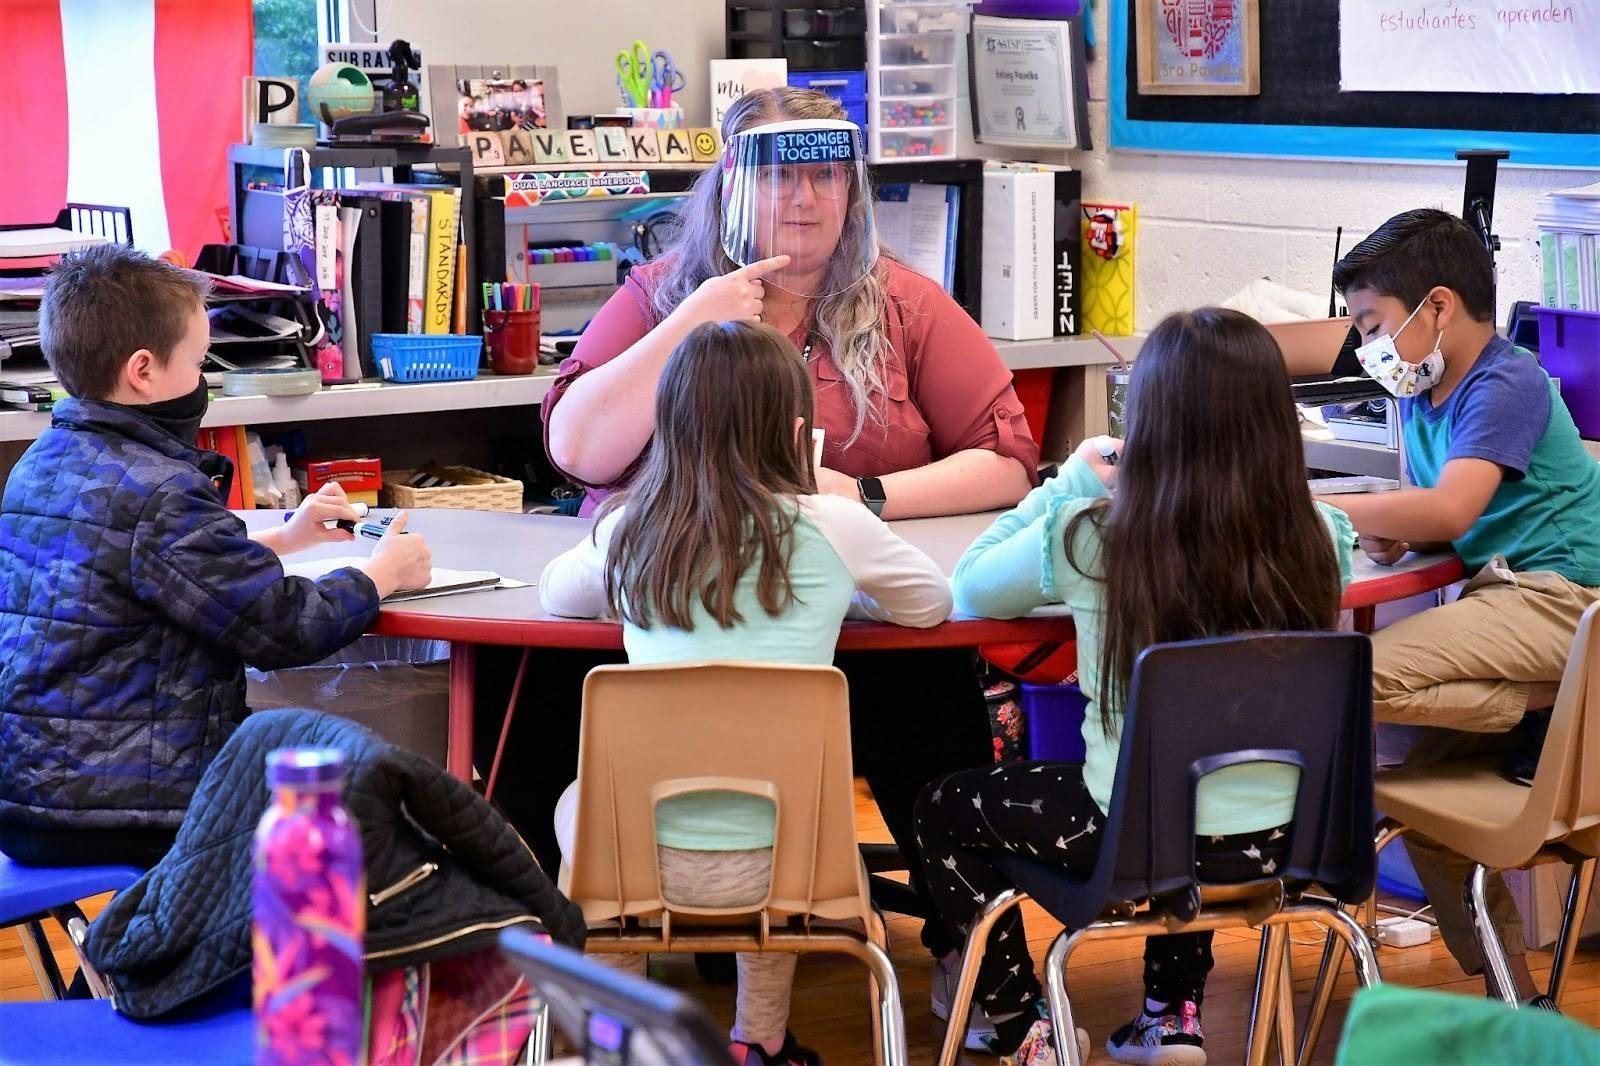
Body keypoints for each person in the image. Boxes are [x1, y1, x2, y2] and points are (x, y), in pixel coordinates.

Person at [486, 87, 1038, 1037]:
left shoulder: (902, 300)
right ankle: (517, 967)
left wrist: (859, 500)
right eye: (782, 174)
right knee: (532, 687)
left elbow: (1008, 458)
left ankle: (979, 964)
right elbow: (576, 449)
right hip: (665, 626)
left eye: (827, 174)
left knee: (934, 698)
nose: (807, 198)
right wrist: (690, 318)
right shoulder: (663, 291)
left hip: (838, 626)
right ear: (730, 190)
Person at [914, 308, 1356, 1065]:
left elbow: (972, 585)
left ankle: (1022, 1024)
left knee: (943, 807)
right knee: (1213, 777)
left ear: (1146, 419)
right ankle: (1172, 1012)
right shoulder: (1324, 539)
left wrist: (1072, 480)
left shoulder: (1096, 537)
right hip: (1287, 840)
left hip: (1127, 841)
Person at [539, 320, 953, 1065]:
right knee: (788, 796)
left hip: (636, 861)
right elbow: (930, 602)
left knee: (582, 805)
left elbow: (557, 596)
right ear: (800, 434)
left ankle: (624, 1041)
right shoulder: (836, 524)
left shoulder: (630, 528)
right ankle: (757, 1040)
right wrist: (843, 595)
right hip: (800, 865)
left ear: (667, 432)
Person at [0, 245, 433, 869]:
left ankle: (131, 963)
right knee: (363, 809)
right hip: (131, 806)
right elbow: (282, 626)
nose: (204, 381)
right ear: (143, 370)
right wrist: (379, 575)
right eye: (200, 362)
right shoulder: (160, 492)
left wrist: (288, 538)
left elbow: (139, 572)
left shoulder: (41, 465)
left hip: (34, 795)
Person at [1321, 208, 1600, 1002]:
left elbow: (1449, 512)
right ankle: (1516, 1000)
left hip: (1566, 600)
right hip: (1514, 606)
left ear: (1436, 307)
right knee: (1428, 809)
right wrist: (1389, 534)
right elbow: (1430, 513)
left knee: (1346, 676)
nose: (1367, 346)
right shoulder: (1422, 394)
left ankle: (1546, 702)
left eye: (1373, 324)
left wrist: (1328, 512)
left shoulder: (1506, 381)